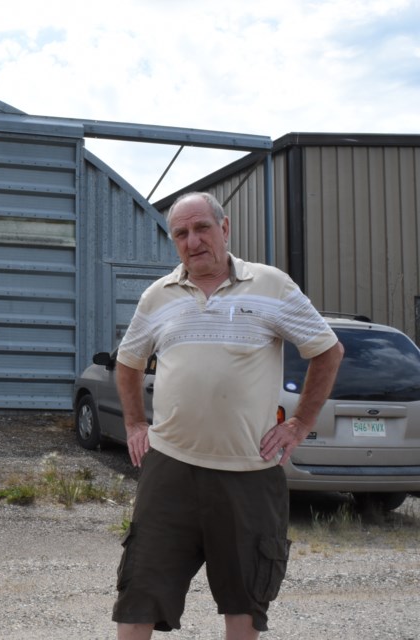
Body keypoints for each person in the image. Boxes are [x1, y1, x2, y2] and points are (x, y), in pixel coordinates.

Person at [111, 192, 344, 639]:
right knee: (140, 589)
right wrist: (136, 423)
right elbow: (128, 362)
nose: (193, 241)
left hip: (248, 471)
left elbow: (328, 351)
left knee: (244, 599)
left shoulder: (272, 285)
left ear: (226, 228)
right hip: (171, 467)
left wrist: (300, 424)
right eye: (181, 233)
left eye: (202, 228)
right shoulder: (158, 296)